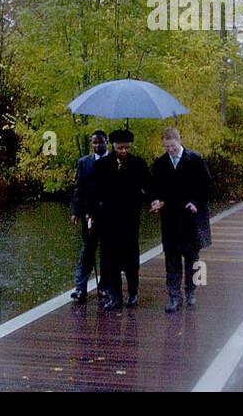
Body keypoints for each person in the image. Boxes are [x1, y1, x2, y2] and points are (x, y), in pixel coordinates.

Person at [149, 127, 212, 313]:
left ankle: (191, 291)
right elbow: (155, 188)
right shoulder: (160, 164)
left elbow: (207, 186)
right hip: (170, 218)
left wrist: (196, 203)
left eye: (173, 146)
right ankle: (174, 296)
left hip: (191, 218)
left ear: (179, 141)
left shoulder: (195, 160)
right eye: (167, 146)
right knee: (172, 259)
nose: (170, 150)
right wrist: (155, 201)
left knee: (193, 258)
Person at [92, 128, 152, 310]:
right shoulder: (102, 165)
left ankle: (133, 293)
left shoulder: (138, 164)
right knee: (111, 259)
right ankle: (115, 296)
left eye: (126, 148)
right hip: (109, 219)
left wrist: (153, 200)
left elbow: (149, 186)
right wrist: (91, 211)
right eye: (120, 148)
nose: (123, 151)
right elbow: (95, 192)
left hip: (130, 217)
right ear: (113, 146)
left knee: (131, 258)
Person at [69, 130, 108, 303]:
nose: (97, 146)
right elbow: (79, 188)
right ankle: (80, 288)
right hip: (89, 215)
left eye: (100, 142)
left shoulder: (114, 162)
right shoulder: (84, 163)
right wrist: (75, 211)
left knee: (107, 252)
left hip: (109, 215)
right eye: (94, 143)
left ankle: (106, 287)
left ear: (106, 142)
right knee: (87, 252)